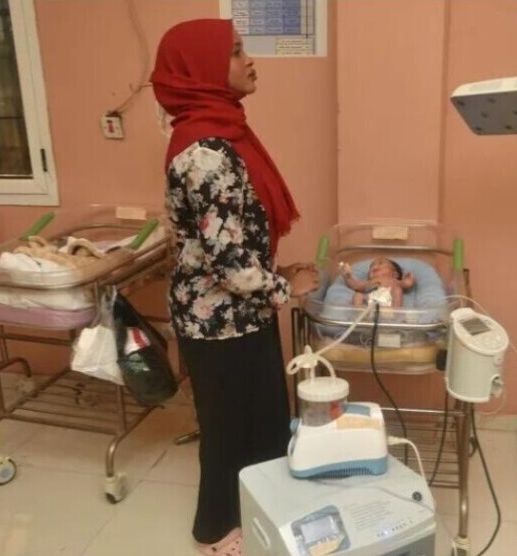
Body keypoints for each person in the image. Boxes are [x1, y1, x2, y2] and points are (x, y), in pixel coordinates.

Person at [152, 19, 320, 556]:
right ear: (201, 68)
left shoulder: (223, 135)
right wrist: (288, 288)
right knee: (228, 429)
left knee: (263, 420)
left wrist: (275, 275)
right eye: (236, 52)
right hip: (217, 318)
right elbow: (228, 265)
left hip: (239, 312)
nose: (250, 61)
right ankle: (216, 530)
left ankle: (260, 509)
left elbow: (232, 239)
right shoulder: (206, 153)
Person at [340, 258, 415, 308]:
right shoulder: (370, 282)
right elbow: (356, 285)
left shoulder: (394, 281)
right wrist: (347, 276)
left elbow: (406, 284)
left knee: (397, 290)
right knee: (358, 295)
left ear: (395, 274)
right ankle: (358, 311)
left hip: (389, 303)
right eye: (371, 266)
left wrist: (409, 278)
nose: (374, 267)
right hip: (372, 301)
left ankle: (396, 312)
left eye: (380, 264)